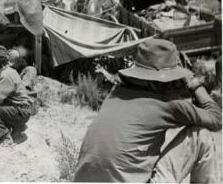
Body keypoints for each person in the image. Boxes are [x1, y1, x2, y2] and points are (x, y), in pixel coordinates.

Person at [74, 39, 221, 182]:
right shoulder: (168, 104)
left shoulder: (115, 93)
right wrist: (195, 85)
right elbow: (216, 119)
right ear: (165, 80)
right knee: (201, 135)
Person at [0, 45, 33, 146]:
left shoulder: (6, 75)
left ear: (1, 61)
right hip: (15, 108)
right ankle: (17, 127)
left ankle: (6, 138)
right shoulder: (0, 72)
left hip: (21, 111)